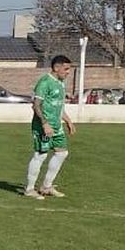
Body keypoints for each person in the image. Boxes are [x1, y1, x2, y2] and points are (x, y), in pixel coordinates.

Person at [24, 54, 76, 199]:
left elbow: (58, 106)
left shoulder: (60, 83)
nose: (67, 72)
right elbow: (36, 106)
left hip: (56, 126)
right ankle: (29, 189)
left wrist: (68, 121)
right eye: (66, 69)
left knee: (62, 153)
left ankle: (46, 186)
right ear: (56, 67)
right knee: (40, 155)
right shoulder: (45, 82)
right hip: (43, 126)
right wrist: (45, 124)